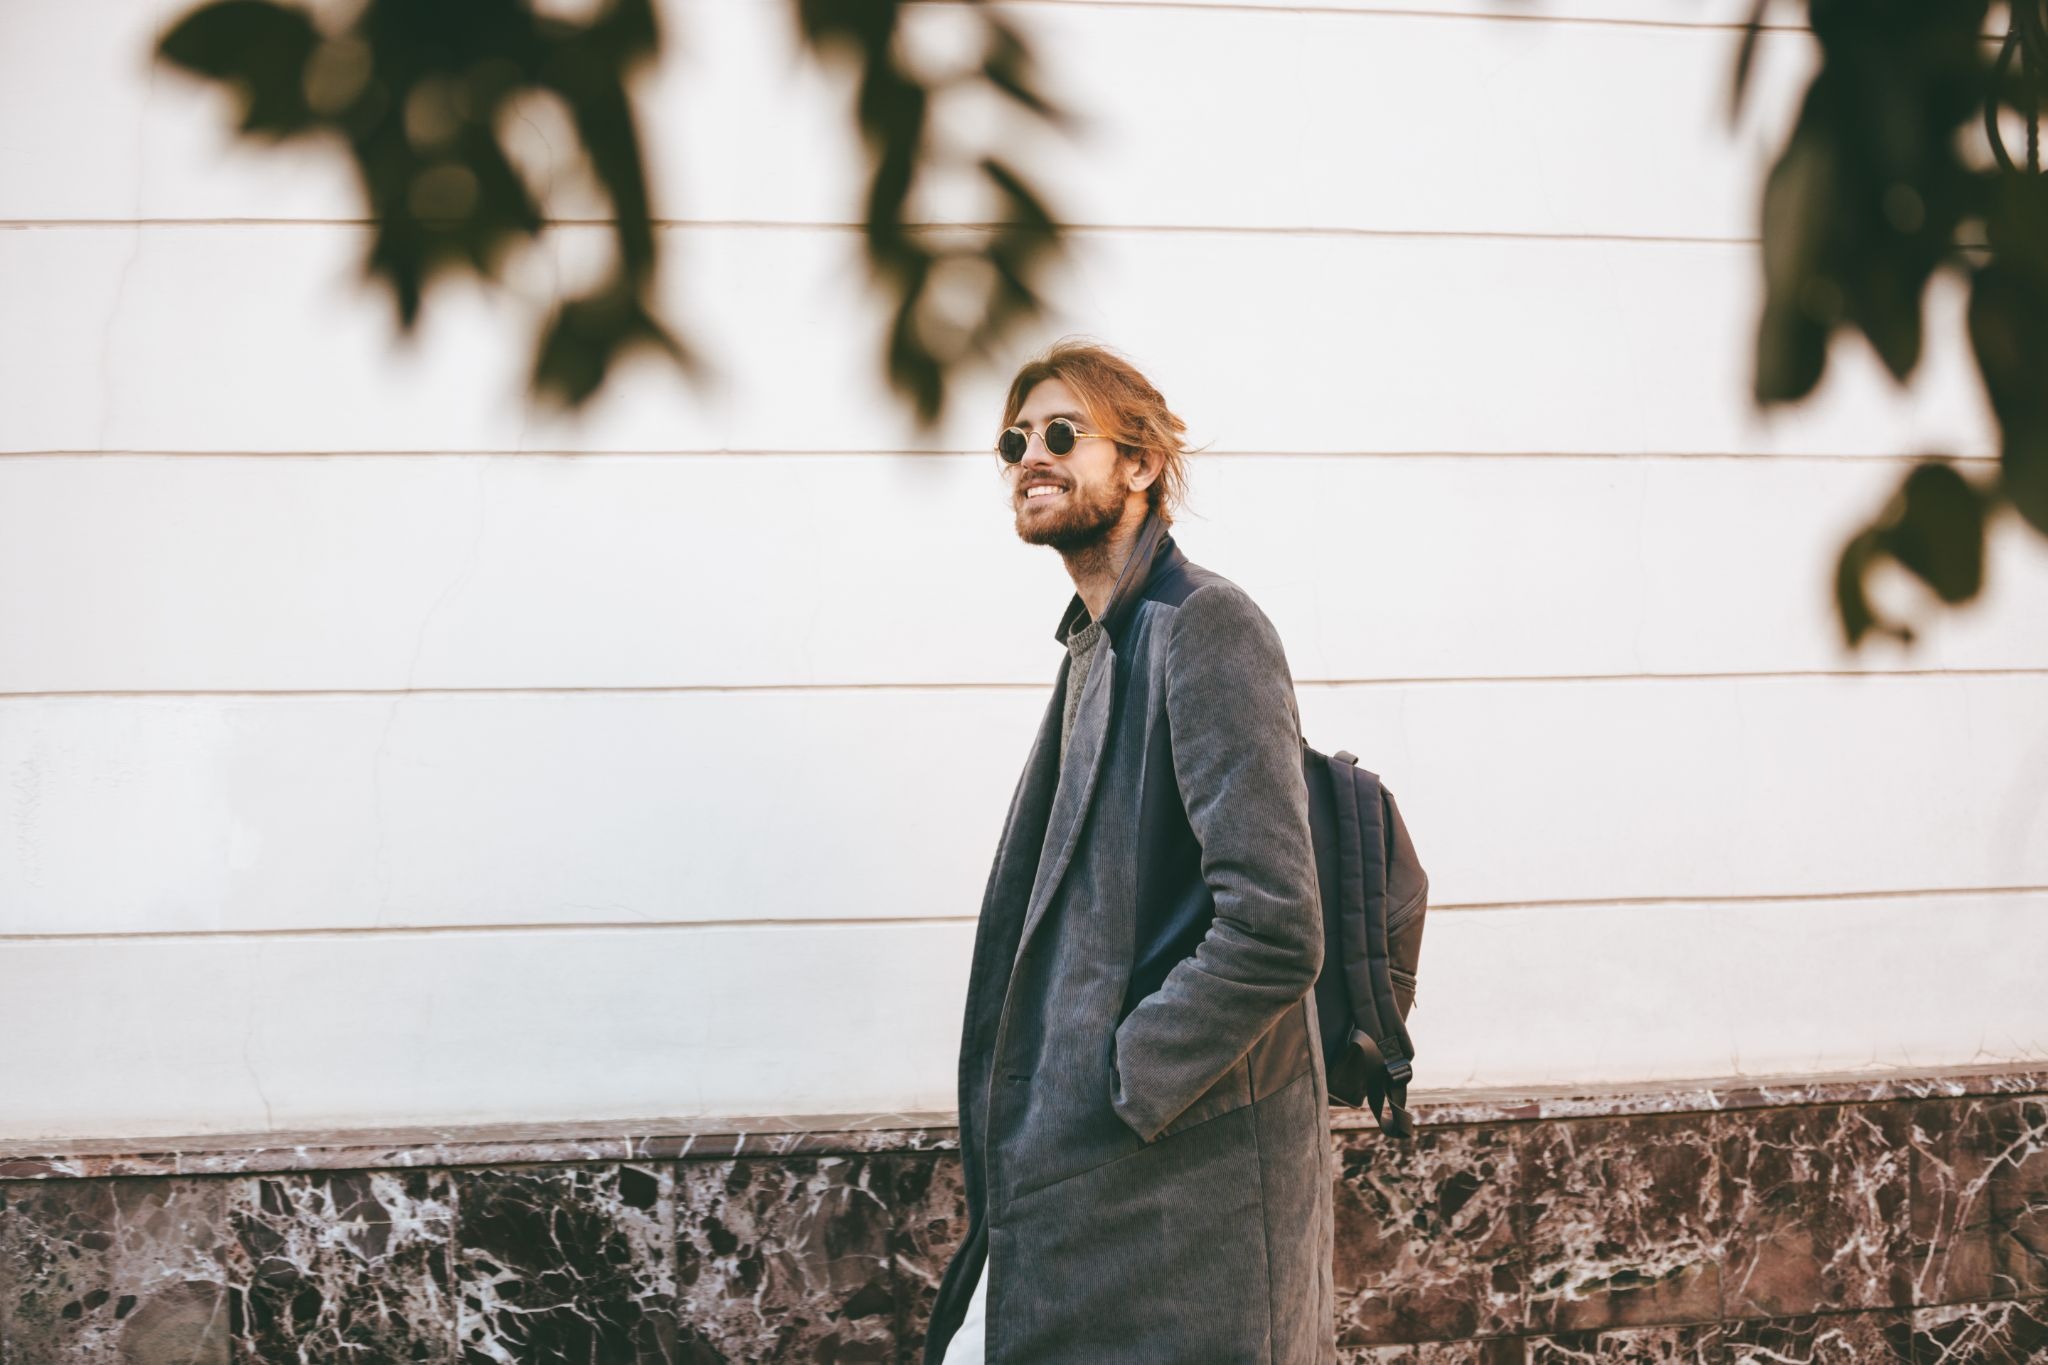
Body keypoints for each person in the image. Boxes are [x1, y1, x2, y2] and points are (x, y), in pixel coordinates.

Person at [926, 339, 1337, 1363]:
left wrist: (1120, 1080)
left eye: (1062, 433)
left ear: (1140, 464)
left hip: (1169, 1198)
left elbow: (1274, 927)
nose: (1030, 456)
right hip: (1088, 1190)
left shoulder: (1204, 626)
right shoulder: (1098, 644)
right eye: (1013, 440)